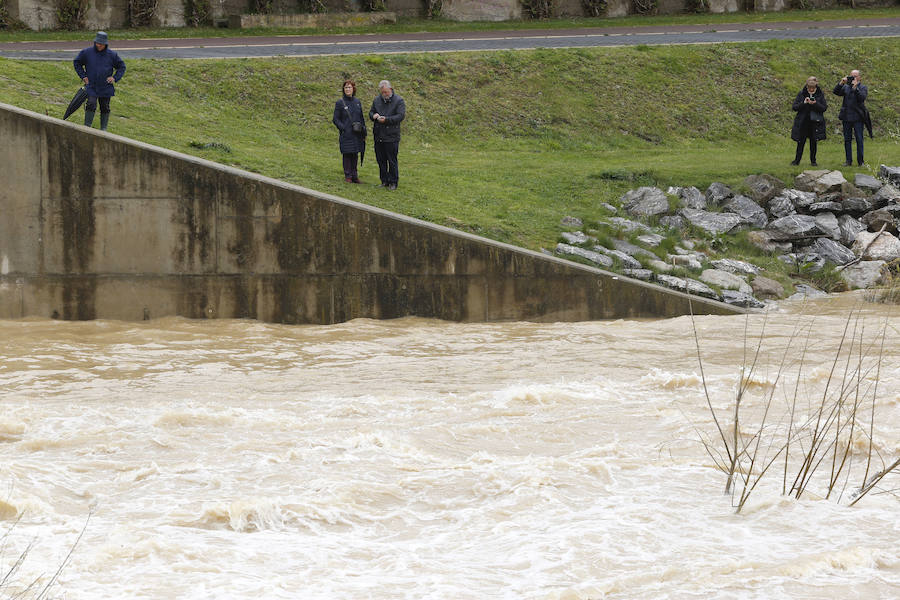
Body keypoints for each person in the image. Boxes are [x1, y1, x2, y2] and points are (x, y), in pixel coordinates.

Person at [73, 31, 126, 132]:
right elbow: (77, 62)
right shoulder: (87, 52)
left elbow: (122, 67)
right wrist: (83, 76)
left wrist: (115, 78)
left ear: (105, 44)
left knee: (105, 107)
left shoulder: (112, 55)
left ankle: (103, 129)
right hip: (91, 85)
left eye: (101, 44)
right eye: (97, 43)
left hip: (105, 86)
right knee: (91, 104)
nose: (99, 45)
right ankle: (87, 126)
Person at [369, 80, 406, 190]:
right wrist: (373, 116)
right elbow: (371, 112)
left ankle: (393, 182)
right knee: (381, 159)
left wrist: (386, 120)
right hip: (378, 135)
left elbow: (400, 116)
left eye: (386, 92)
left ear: (390, 89)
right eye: (382, 92)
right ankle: (384, 180)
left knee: (392, 160)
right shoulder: (377, 100)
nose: (384, 94)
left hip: (392, 136)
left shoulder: (399, 101)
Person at [332, 79, 367, 183]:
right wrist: (343, 128)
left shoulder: (357, 102)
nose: (348, 89)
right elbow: (335, 119)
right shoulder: (340, 103)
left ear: (353, 89)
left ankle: (355, 175)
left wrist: (364, 131)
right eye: (346, 87)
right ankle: (348, 175)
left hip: (357, 133)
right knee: (347, 154)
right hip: (346, 134)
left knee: (355, 154)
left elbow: (361, 117)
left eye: (349, 87)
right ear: (343, 89)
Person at [832, 69, 869, 166]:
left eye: (855, 76)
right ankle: (848, 161)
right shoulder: (846, 87)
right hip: (846, 116)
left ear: (859, 77)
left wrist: (856, 88)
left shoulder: (863, 87)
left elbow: (862, 98)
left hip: (858, 117)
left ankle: (861, 161)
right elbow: (836, 92)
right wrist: (841, 83)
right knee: (847, 139)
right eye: (851, 76)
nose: (853, 78)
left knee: (859, 139)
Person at [790, 76, 827, 167]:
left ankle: (813, 161)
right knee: (800, 142)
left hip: (815, 123)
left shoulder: (820, 94)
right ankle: (797, 160)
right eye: (809, 88)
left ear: (816, 87)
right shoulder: (802, 93)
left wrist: (815, 104)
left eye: (812, 88)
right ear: (806, 86)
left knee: (813, 143)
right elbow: (795, 107)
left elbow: (824, 108)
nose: (811, 90)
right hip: (803, 122)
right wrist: (804, 103)